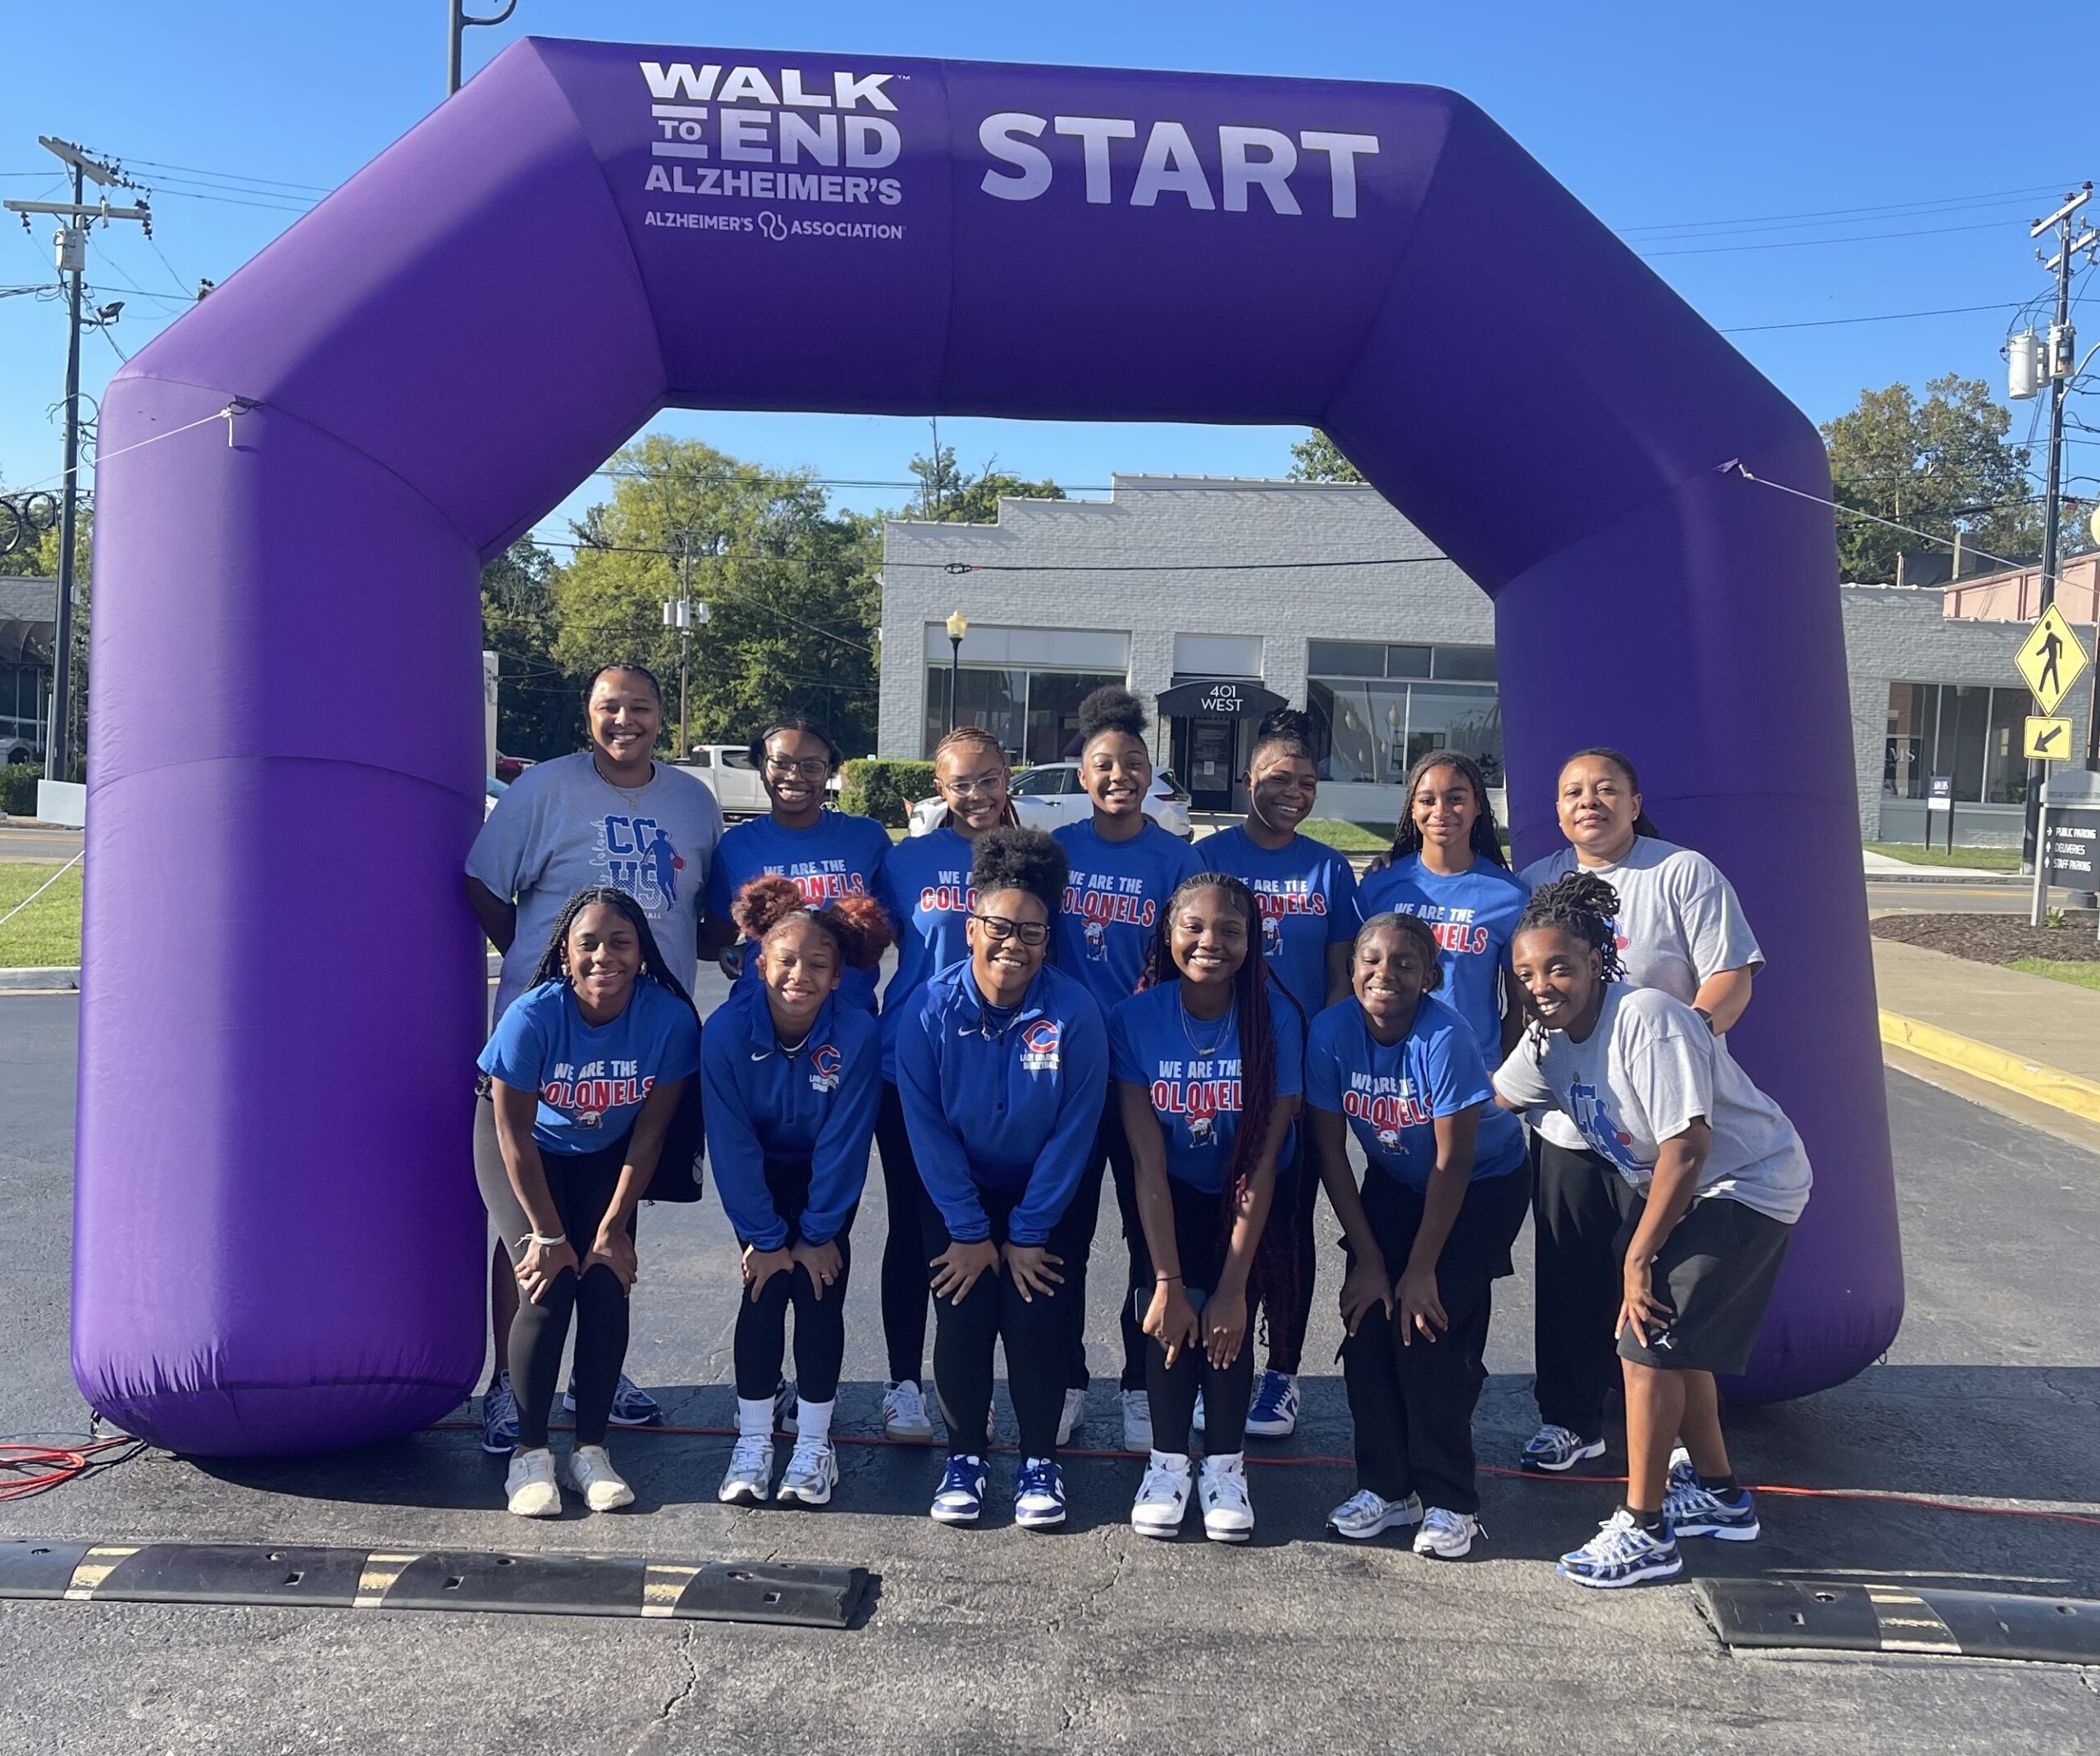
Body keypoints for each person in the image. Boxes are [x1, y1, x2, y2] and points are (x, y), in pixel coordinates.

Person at [1495, 873, 1810, 1587]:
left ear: (1597, 959)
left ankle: (1645, 1527)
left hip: (1748, 1183)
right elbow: (1494, 1100)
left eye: (1559, 967)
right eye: (1526, 972)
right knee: (1674, 1344)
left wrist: (1638, 1258)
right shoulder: (1547, 1039)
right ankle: (1723, 1494)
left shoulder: (1648, 1018)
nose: (1542, 984)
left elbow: (1687, 1148)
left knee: (1644, 1341)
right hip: (1692, 1191)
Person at [466, 664, 723, 1453]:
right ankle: (510, 1387)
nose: (626, 721)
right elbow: (482, 884)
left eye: (640, 708)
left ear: (659, 719)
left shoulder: (692, 801)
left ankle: (592, 1378)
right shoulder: (544, 788)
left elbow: (705, 913)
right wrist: (549, 974)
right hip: (550, 1052)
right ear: (589, 715)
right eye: (610, 708)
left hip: (639, 1053)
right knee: (530, 1233)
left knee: (610, 1225)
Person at [1515, 748, 1764, 1475]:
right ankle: (1570, 1419)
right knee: (1567, 1273)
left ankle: (1680, 1442)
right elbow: (1523, 999)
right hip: (1572, 1118)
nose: (1588, 801)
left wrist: (1668, 1057)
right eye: (1572, 792)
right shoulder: (1537, 882)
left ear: (1633, 800)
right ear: (1557, 810)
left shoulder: (1682, 872)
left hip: (1657, 1125)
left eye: (1604, 789)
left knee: (1656, 1280)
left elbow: (1730, 977)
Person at [897, 828, 1107, 1530]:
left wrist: (1026, 1230)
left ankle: (1039, 1461)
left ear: (1049, 939)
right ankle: (966, 1456)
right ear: (971, 927)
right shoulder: (926, 1010)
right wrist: (967, 1228)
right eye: (997, 926)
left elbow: (1075, 1130)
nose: (1012, 942)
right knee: (961, 1315)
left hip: (1046, 1196)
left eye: (1031, 931)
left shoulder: (1076, 1012)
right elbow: (926, 1131)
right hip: (959, 1193)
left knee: (1036, 1318)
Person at [474, 887, 703, 1517]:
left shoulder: (669, 1018)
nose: (605, 955)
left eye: (620, 942)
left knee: (604, 1278)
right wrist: (548, 1234)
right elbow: (511, 1130)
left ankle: (591, 1451)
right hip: (522, 1143)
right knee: (546, 1285)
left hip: (607, 1148)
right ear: (567, 955)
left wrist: (612, 1228)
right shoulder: (535, 1014)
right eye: (590, 944)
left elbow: (651, 1132)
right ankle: (529, 1454)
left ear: (642, 953)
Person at [1308, 913, 1530, 1558]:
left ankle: (1450, 1498)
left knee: (1429, 1326)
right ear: (1352, 969)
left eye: (1405, 963)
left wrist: (1421, 1268)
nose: (1385, 973)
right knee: (1369, 1318)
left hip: (1480, 1184)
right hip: (1394, 1181)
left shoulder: (1445, 1035)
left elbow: (1452, 1161)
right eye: (1371, 960)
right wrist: (1372, 1261)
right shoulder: (1331, 1031)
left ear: (1430, 977)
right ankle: (1386, 1486)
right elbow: (1330, 1151)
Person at [1114, 873, 1303, 1543]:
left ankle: (1226, 1467)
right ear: (1168, 935)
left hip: (1242, 1194)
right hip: (1169, 1190)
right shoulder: (1136, 1017)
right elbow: (1147, 1163)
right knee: (1168, 1309)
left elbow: (1260, 1164)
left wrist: (1230, 1289)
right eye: (1194, 926)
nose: (1210, 941)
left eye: (1230, 929)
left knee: (1227, 1316)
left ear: (1253, 940)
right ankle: (1167, 1465)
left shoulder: (1276, 1018)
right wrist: (1167, 1280)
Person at [705, 877, 891, 1509]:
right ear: (761, 964)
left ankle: (814, 1442)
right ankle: (754, 1438)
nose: (800, 975)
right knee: (761, 1291)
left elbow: (845, 1142)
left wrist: (815, 1237)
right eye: (786, 961)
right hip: (760, 1175)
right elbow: (731, 1145)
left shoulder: (859, 1033)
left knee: (818, 1291)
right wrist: (764, 1237)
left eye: (819, 965)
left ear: (838, 977)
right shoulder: (726, 1031)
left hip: (821, 1178)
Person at [1196, 707, 1354, 1440]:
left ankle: (1282, 1373)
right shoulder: (1213, 858)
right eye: (1279, 778)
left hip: (1296, 1073)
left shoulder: (1327, 866)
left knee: (1287, 1228)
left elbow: (1339, 976)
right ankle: (1215, 1359)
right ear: (1246, 780)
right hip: (1217, 1068)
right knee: (1222, 1225)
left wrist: (1309, 1073)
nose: (1294, 791)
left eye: (1308, 781)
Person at [1053, 685, 1203, 1451]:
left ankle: (1144, 1384)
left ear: (1153, 774)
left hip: (1151, 1074)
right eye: (1105, 763)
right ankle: (1068, 1378)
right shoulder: (1059, 852)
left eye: (1134, 763)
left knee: (1153, 1237)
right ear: (1082, 771)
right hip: (1071, 1074)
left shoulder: (1179, 859)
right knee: (1067, 1236)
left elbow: (1195, 965)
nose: (1120, 775)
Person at [873, 725, 1019, 1443]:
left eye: (988, 778)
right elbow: (859, 944)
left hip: (1004, 1068)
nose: (975, 794)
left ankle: (972, 1387)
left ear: (1007, 776)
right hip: (910, 1067)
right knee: (913, 1228)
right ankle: (905, 1384)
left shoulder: (1028, 860)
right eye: (960, 782)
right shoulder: (905, 862)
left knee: (987, 1231)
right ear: (940, 787)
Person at [700, 717, 890, 1010]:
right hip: (759, 1017)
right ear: (762, 764)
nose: (794, 776)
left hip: (848, 1022)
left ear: (829, 772)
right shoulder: (736, 846)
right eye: (781, 762)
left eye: (812, 766)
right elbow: (715, 940)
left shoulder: (867, 837)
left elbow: (898, 928)